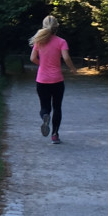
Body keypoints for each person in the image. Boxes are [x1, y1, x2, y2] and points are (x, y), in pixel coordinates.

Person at [29, 15, 78, 144]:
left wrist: (42, 64)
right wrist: (73, 69)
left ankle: (45, 117)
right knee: (57, 107)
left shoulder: (39, 41)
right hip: (57, 80)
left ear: (44, 26)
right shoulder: (61, 41)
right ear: (57, 27)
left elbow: (32, 58)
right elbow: (66, 58)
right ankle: (55, 135)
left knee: (44, 107)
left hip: (42, 80)